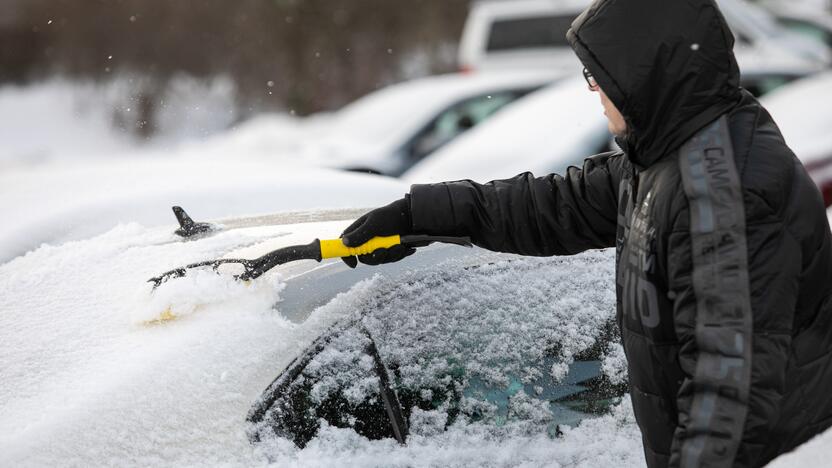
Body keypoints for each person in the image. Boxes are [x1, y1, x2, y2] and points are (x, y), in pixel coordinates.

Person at [338, 1, 832, 467]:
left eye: (598, 76)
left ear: (643, 79)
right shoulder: (667, 160)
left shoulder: (725, 195)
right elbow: (552, 206)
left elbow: (729, 398)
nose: (594, 90)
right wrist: (420, 213)